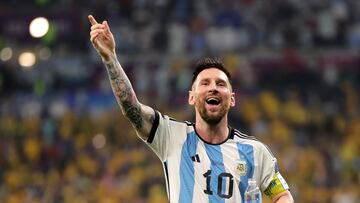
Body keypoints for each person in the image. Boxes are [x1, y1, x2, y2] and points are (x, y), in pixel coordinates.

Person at [88, 15, 294, 203]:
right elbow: (131, 108)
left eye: (220, 84)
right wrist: (110, 59)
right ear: (191, 97)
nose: (213, 87)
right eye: (205, 83)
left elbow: (282, 195)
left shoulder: (254, 151)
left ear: (231, 99)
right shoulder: (171, 136)